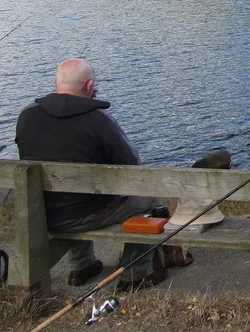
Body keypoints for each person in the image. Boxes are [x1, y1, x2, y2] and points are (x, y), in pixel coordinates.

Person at [15, 59, 165, 291]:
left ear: (56, 82)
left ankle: (82, 265)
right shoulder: (99, 119)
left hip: (44, 212)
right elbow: (133, 166)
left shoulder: (26, 116)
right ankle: (136, 274)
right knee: (148, 197)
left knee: (69, 195)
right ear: (90, 86)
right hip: (89, 212)